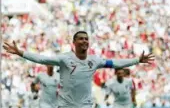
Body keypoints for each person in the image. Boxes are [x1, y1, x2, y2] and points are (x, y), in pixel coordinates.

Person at [3, 31, 154, 108]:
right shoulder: (64, 59)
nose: (84, 41)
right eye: (81, 38)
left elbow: (116, 63)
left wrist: (137, 60)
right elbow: (41, 59)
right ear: (74, 42)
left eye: (86, 39)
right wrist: (20, 52)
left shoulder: (94, 60)